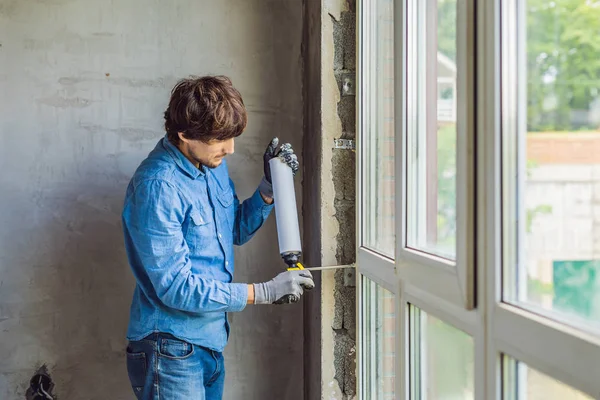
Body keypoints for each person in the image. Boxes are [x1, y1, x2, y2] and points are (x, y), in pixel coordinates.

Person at [121, 75, 314, 400]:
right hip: (170, 349)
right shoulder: (158, 186)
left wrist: (269, 188)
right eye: (219, 139)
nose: (230, 148)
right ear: (183, 134)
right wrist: (263, 292)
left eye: (231, 137)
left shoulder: (211, 164)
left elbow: (233, 231)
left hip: (210, 340)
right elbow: (175, 288)